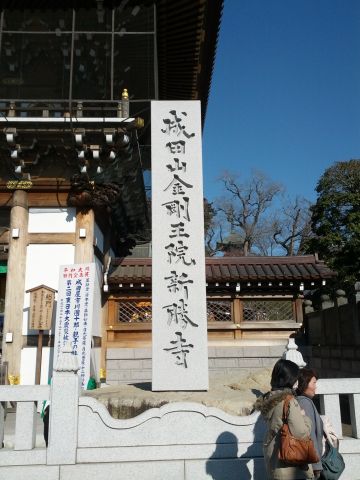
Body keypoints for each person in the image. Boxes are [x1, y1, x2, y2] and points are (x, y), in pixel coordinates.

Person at [254, 359, 315, 479]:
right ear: (290, 379)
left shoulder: (268, 399)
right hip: (289, 462)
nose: (297, 381)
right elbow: (301, 433)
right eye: (296, 377)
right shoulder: (289, 401)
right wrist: (305, 418)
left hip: (273, 458)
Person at [297, 368, 324, 479]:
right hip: (310, 463)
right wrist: (316, 465)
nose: (315, 386)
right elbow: (310, 435)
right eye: (314, 383)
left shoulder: (299, 400)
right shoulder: (305, 402)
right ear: (304, 384)